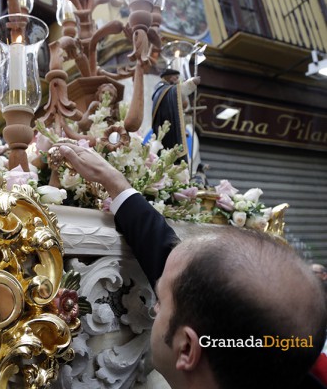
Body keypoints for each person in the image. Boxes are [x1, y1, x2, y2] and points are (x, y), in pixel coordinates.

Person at [55, 143, 327, 389]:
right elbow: (192, 280)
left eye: (160, 300)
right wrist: (116, 184)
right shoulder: (287, 357)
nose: (153, 306)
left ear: (186, 349)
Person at [152, 69, 200, 160]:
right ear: (169, 76)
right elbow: (177, 91)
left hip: (171, 127)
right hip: (167, 129)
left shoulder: (167, 90)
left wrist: (185, 115)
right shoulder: (162, 89)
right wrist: (191, 83)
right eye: (176, 77)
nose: (177, 79)